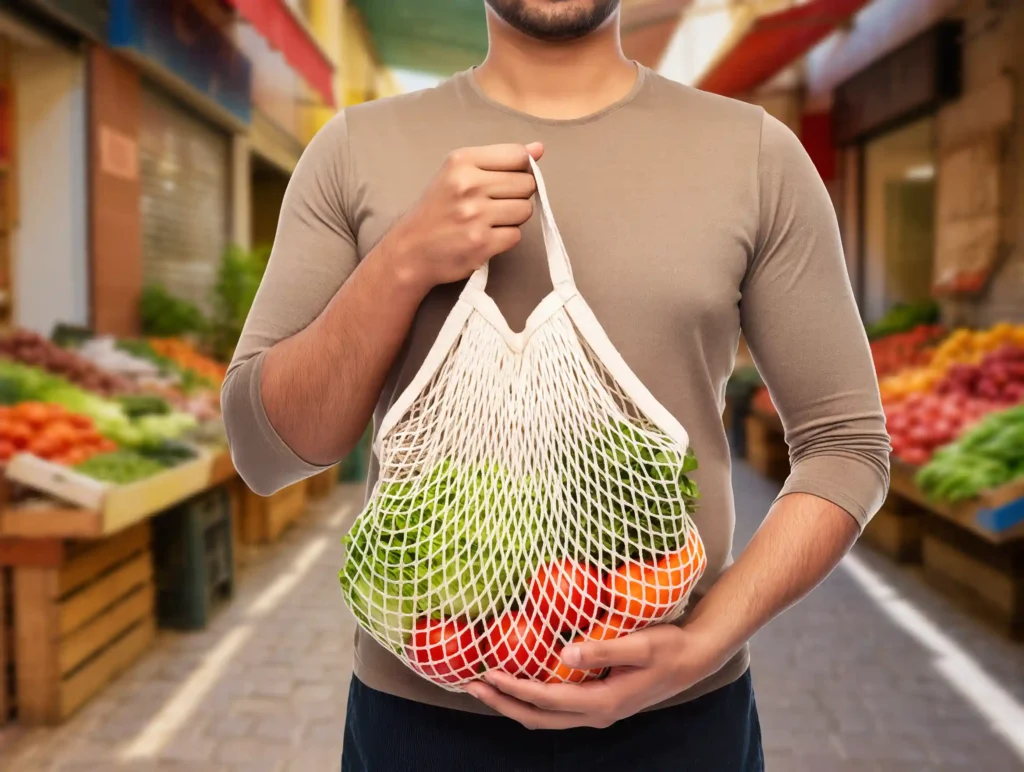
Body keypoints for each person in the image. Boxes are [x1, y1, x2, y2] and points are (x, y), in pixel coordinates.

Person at [222, 1, 890, 769]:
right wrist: (402, 261)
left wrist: (702, 642)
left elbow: (846, 446)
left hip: (680, 722)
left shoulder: (755, 155)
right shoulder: (353, 150)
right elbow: (265, 452)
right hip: (419, 722)